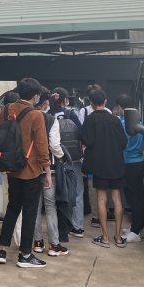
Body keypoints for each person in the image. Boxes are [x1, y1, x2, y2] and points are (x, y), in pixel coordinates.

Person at [0, 79, 51, 269]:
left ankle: (1, 250)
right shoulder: (36, 115)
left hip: (11, 168)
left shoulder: (7, 109)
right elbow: (41, 145)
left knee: (12, 209)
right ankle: (25, 254)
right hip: (30, 170)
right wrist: (47, 170)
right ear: (35, 96)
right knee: (30, 212)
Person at [82, 88, 128, 248]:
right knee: (117, 199)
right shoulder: (115, 120)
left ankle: (105, 238)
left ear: (91, 103)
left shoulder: (90, 120)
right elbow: (123, 142)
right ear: (105, 101)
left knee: (101, 199)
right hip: (116, 163)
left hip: (99, 164)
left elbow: (87, 141)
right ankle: (118, 238)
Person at [32, 88, 69, 257]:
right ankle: (54, 244)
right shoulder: (51, 120)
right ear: (46, 103)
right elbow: (54, 145)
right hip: (49, 169)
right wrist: (61, 157)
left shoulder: (28, 117)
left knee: (35, 207)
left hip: (32, 168)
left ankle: (38, 243)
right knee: (50, 206)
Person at [49, 87, 85, 238]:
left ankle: (60, 226)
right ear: (65, 100)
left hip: (54, 159)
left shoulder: (48, 115)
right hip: (73, 158)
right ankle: (77, 226)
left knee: (57, 192)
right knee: (77, 190)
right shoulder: (71, 114)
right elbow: (81, 133)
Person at [119, 93, 144, 243]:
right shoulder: (140, 121)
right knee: (138, 197)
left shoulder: (123, 123)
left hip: (129, 164)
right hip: (139, 162)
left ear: (121, 107)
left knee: (134, 199)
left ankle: (136, 231)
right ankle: (137, 229)